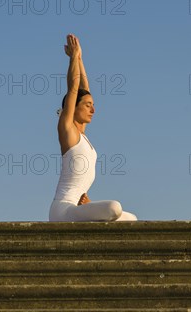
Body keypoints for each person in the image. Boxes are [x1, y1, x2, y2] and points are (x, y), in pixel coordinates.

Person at [48, 33, 138, 222]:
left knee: (131, 219)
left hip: (77, 208)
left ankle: (90, 211)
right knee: (114, 207)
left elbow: (83, 88)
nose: (93, 109)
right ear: (73, 108)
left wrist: (80, 58)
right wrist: (72, 57)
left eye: (93, 104)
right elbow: (74, 88)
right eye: (87, 105)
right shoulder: (67, 130)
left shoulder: (82, 136)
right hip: (63, 209)